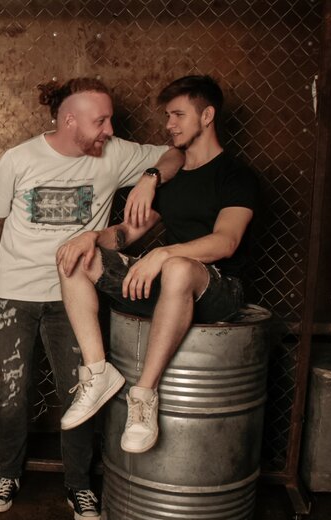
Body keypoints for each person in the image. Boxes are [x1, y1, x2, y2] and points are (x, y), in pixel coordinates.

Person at [0, 77, 183, 520]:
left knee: (80, 392)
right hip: (14, 293)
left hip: (72, 297)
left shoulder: (114, 153)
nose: (109, 129)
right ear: (69, 120)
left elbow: (177, 154)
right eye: (100, 121)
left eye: (110, 120)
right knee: (12, 393)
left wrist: (149, 179)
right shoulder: (19, 159)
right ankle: (8, 475)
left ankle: (78, 485)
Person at [57, 75, 260, 454]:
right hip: (170, 288)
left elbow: (226, 241)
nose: (169, 124)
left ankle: (144, 395)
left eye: (178, 115)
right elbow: (127, 233)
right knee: (74, 255)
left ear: (207, 116)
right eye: (168, 116)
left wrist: (164, 254)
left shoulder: (236, 175)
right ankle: (98, 373)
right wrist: (90, 238)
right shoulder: (172, 179)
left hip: (219, 290)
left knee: (178, 266)